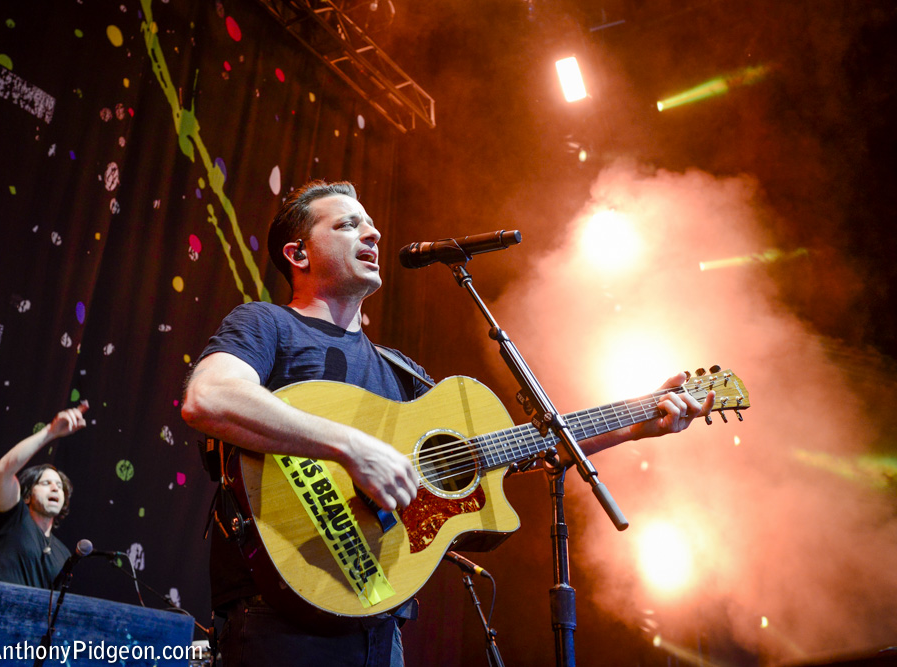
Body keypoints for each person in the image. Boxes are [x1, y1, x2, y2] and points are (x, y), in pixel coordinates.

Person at [181, 180, 714, 667]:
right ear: (298, 254)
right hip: (277, 616)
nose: (371, 232)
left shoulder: (400, 372)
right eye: (346, 224)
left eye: (371, 223)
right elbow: (209, 398)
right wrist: (349, 447)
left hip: (377, 620)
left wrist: (637, 421)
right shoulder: (267, 324)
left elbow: (528, 448)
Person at [0, 402, 89, 589]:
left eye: (59, 486)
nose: (55, 488)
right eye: (46, 483)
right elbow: (3, 471)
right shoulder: (13, 520)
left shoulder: (63, 553)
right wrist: (51, 432)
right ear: (28, 495)